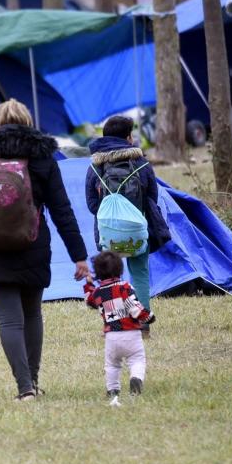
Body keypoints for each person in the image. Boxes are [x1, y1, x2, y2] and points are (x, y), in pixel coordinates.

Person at [0, 99, 89, 401]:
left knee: (8, 320)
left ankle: (24, 388)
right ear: (28, 121)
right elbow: (62, 210)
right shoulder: (43, 156)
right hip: (33, 244)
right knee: (32, 314)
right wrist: (79, 255)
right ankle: (34, 381)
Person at [85, 115, 171, 317]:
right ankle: (142, 320)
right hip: (137, 232)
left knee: (110, 278)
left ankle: (117, 319)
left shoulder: (95, 168)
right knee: (139, 273)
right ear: (128, 138)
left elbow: (91, 205)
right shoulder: (142, 164)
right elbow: (152, 198)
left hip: (108, 235)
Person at [84, 251, 152, 407]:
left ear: (97, 273)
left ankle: (112, 390)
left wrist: (88, 284)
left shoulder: (98, 292)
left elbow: (89, 301)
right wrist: (148, 317)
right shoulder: (125, 287)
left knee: (112, 365)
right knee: (137, 360)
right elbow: (135, 307)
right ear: (121, 270)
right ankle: (135, 378)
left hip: (111, 337)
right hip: (132, 334)